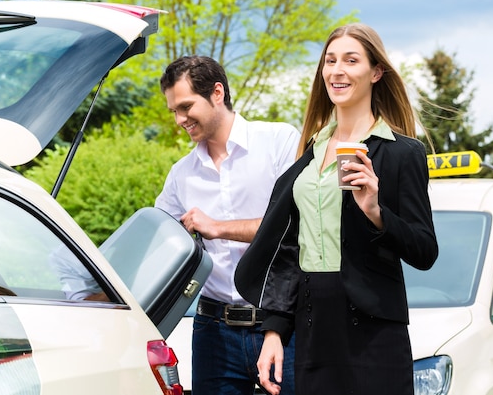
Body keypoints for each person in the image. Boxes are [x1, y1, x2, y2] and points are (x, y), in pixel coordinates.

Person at [234, 23, 439, 395]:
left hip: (376, 332)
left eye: (350, 60)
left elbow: (425, 251)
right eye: (330, 61)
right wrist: (275, 331)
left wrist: (376, 211)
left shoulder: (401, 154)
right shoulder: (309, 155)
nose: (336, 70)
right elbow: (292, 250)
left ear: (376, 72)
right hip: (314, 328)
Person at [154, 55, 299, 395]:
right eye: (173, 111)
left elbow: (294, 226)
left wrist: (218, 227)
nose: (179, 119)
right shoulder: (181, 174)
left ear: (217, 93)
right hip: (213, 330)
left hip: (282, 324)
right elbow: (157, 243)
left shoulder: (279, 142)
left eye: (186, 106)